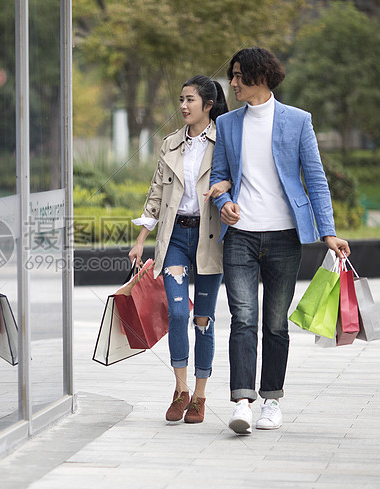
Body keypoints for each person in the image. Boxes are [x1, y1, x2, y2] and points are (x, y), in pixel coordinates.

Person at [209, 47, 350, 435]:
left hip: (286, 237)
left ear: (261, 77)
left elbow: (316, 179)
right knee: (243, 319)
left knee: (274, 323)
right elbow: (218, 176)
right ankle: (242, 401)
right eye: (232, 75)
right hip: (239, 236)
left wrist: (329, 232)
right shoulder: (228, 124)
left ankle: (271, 399)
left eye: (238, 76)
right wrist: (224, 202)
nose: (232, 83)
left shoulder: (297, 121)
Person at [128, 75, 231, 424]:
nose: (184, 106)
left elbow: (238, 179)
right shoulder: (170, 144)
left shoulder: (224, 141)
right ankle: (180, 388)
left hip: (209, 241)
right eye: (181, 99)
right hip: (173, 239)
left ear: (208, 105)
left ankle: (200, 396)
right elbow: (155, 193)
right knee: (176, 313)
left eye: (190, 100)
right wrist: (141, 239)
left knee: (203, 319)